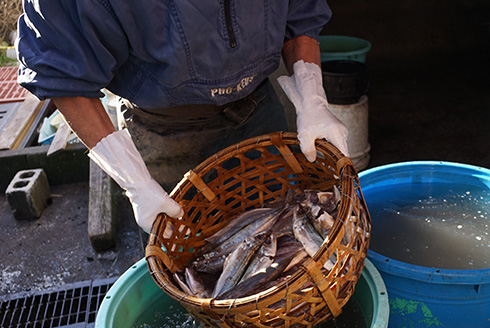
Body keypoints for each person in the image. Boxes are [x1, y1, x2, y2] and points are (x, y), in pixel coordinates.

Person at [16, 0, 348, 233]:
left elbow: (299, 14)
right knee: (188, 264)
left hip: (259, 108)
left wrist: (312, 98)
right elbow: (59, 66)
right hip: (164, 133)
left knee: (281, 227)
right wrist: (136, 183)